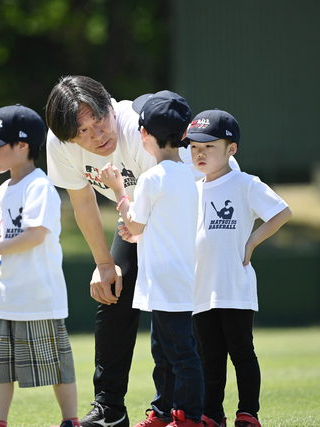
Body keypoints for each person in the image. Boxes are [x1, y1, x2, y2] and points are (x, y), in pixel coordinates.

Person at [45, 75, 238, 427]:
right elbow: (83, 202)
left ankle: (190, 411)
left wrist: (131, 226)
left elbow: (167, 211)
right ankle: (110, 408)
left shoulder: (142, 130)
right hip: (144, 214)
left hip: (199, 210)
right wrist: (104, 264)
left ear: (110, 105)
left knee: (177, 308)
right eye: (82, 133)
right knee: (113, 290)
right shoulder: (59, 143)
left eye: (99, 122)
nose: (96, 137)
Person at [0, 104, 79, 427]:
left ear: (22, 146)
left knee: (57, 365)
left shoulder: (40, 187)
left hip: (38, 298)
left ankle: (70, 420)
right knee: (0, 367)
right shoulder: (1, 192)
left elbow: (35, 235)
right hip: (5, 298)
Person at [98, 90, 204, 427]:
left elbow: (133, 222)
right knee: (168, 350)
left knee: (180, 354)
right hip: (183, 276)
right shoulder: (189, 176)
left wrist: (117, 188)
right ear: (184, 134)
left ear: (144, 135)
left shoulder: (150, 178)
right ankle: (164, 412)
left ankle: (187, 416)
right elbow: (153, 225)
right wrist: (137, 230)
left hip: (163, 281)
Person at [187, 109, 292, 427]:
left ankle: (248, 413)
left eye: (209, 147)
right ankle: (211, 414)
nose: (200, 153)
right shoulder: (193, 189)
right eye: (193, 147)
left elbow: (281, 212)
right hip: (200, 289)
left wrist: (253, 241)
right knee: (209, 357)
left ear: (231, 149)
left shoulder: (245, 183)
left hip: (233, 285)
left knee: (242, 352)